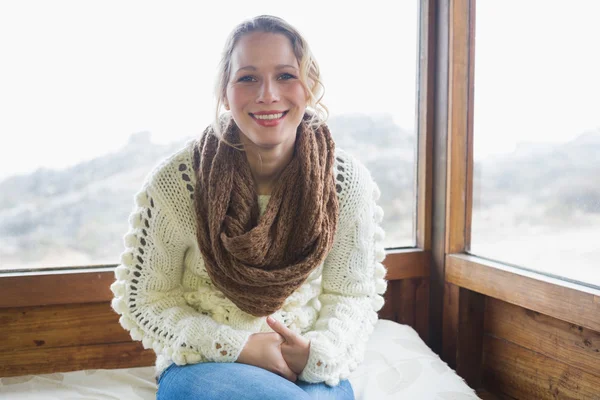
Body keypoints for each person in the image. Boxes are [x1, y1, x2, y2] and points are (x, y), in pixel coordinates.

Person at [110, 14, 387, 400]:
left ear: (310, 86)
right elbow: (145, 299)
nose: (268, 94)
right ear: (226, 92)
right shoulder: (178, 182)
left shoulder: (344, 182)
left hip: (306, 370)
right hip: (204, 366)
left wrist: (316, 353)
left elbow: (351, 295)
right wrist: (236, 345)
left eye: (286, 75)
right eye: (248, 78)